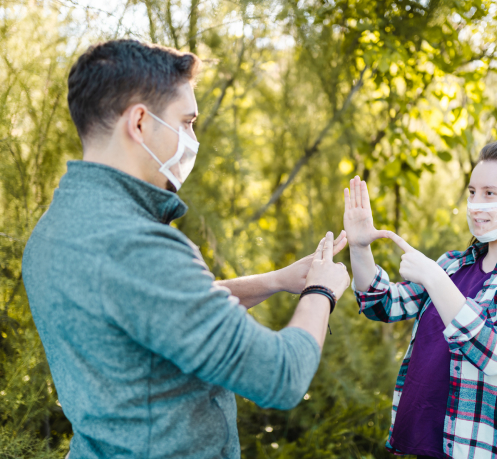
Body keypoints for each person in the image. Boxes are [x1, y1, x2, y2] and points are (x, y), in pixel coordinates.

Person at [22, 39, 350, 459]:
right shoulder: (136, 246)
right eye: (187, 122)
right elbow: (280, 375)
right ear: (139, 122)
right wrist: (319, 293)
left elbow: (155, 309)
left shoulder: (57, 226)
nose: (192, 138)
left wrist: (275, 281)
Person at [344, 138, 497, 459]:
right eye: (472, 192)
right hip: (420, 443)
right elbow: (382, 303)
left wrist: (434, 278)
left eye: (490, 193)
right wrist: (359, 247)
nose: (476, 204)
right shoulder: (453, 264)